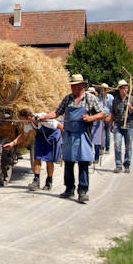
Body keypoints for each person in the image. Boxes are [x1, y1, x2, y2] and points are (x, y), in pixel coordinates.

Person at [39, 74, 105, 203]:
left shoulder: (90, 98)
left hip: (83, 134)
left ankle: (83, 191)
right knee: (68, 162)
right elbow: (57, 113)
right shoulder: (68, 99)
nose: (72, 87)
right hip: (69, 134)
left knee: (83, 162)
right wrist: (44, 117)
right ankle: (69, 189)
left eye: (74, 85)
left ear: (81, 85)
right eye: (71, 85)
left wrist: (91, 118)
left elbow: (103, 113)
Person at [3, 108, 63, 191]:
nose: (22, 122)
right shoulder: (29, 123)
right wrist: (12, 143)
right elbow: (23, 136)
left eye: (22, 119)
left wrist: (64, 141)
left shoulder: (45, 119)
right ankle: (36, 181)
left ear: (28, 117)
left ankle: (49, 181)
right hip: (40, 137)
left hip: (52, 136)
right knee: (37, 158)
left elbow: (61, 126)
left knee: (49, 160)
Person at [109, 79, 133, 174]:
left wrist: (130, 107)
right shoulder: (115, 100)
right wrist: (111, 124)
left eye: (126, 88)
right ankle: (118, 165)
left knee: (128, 146)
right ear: (119, 89)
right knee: (117, 145)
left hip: (129, 126)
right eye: (123, 88)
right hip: (118, 126)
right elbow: (112, 113)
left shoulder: (132, 99)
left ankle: (127, 164)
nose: (125, 90)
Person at [86, 87, 104, 164]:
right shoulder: (85, 102)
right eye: (90, 93)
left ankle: (96, 157)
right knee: (88, 141)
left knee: (96, 141)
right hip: (88, 123)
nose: (91, 95)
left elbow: (101, 113)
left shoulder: (97, 102)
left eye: (92, 93)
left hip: (97, 123)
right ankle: (89, 158)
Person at [98, 83, 114, 154]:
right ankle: (102, 147)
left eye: (104, 89)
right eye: (101, 89)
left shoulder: (110, 98)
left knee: (107, 132)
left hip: (108, 116)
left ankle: (107, 148)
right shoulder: (98, 98)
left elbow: (112, 109)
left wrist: (110, 117)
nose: (102, 91)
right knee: (101, 133)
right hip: (100, 117)